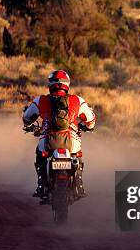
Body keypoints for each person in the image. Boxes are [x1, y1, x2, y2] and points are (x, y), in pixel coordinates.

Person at [22, 70, 96, 199]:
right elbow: (91, 120)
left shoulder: (41, 100)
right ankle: (78, 184)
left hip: (48, 141)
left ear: (50, 84)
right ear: (67, 84)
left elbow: (27, 118)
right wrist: (87, 127)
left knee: (40, 154)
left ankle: (41, 185)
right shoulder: (77, 100)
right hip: (71, 141)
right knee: (77, 157)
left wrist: (30, 126)